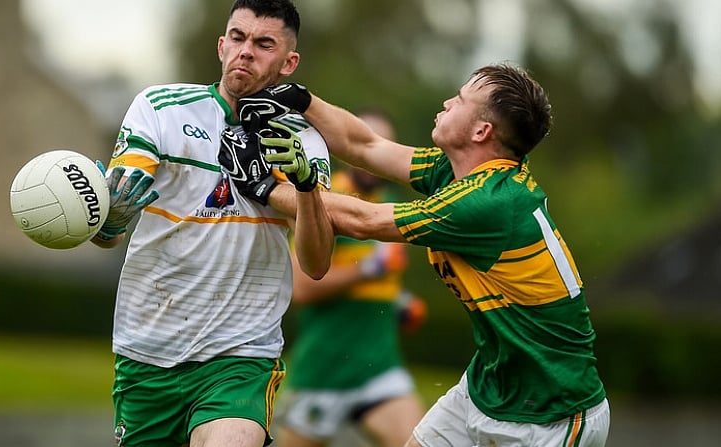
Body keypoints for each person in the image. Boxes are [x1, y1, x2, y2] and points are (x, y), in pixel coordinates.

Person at [224, 63, 611, 446]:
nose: (446, 102)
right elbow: (366, 145)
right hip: (487, 387)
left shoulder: (486, 202)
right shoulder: (459, 171)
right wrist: (302, 100)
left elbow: (364, 220)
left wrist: (264, 188)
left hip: (552, 413)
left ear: (481, 131)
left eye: (459, 99)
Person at [90, 1, 334, 446]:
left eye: (264, 44)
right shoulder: (159, 109)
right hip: (147, 352)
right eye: (238, 38)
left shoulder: (302, 138)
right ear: (222, 45)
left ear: (288, 62)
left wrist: (305, 188)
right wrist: (110, 224)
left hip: (240, 356)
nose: (246, 51)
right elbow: (110, 233)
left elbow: (316, 264)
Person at [275, 111, 427, 447]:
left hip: (379, 367)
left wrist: (398, 303)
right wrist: (369, 268)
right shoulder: (322, 197)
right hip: (322, 371)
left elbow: (378, 283)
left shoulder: (390, 204)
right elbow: (301, 287)